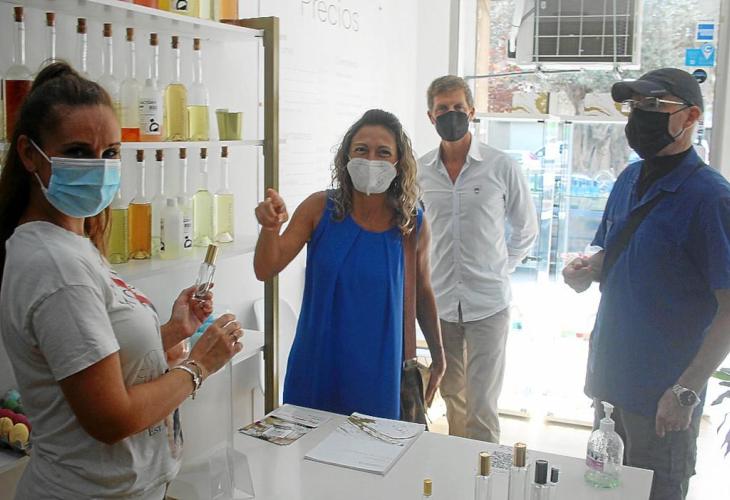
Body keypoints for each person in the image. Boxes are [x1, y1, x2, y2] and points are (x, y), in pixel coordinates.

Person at [0, 62, 244, 499]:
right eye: (78, 152)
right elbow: (111, 419)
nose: (98, 168)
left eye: (110, 152)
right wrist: (200, 365)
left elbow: (96, 363)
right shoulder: (55, 264)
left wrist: (172, 332)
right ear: (29, 154)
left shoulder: (71, 245)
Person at [563, 68, 730, 500]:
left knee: (656, 491)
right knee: (604, 490)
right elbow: (614, 252)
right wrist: (587, 270)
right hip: (610, 382)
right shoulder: (628, 180)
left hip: (662, 398)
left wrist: (685, 391)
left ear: (691, 116)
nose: (641, 114)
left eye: (654, 105)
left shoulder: (711, 198)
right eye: (635, 105)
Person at [254, 109, 446, 419]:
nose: (371, 159)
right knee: (308, 445)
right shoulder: (319, 209)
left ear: (398, 162)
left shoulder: (411, 224)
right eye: (361, 149)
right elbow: (266, 268)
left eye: (383, 152)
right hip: (318, 364)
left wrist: (438, 355)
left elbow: (422, 292)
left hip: (380, 372)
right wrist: (269, 228)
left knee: (372, 446)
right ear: (346, 156)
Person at [418, 75, 538, 443]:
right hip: (441, 305)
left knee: (482, 404)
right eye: (443, 109)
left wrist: (500, 269)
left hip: (488, 304)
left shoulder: (500, 166)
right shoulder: (420, 172)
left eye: (458, 107)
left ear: (471, 111)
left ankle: (485, 473)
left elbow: (526, 228)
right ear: (430, 116)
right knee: (453, 397)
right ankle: (460, 469)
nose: (451, 114)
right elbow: (413, 233)